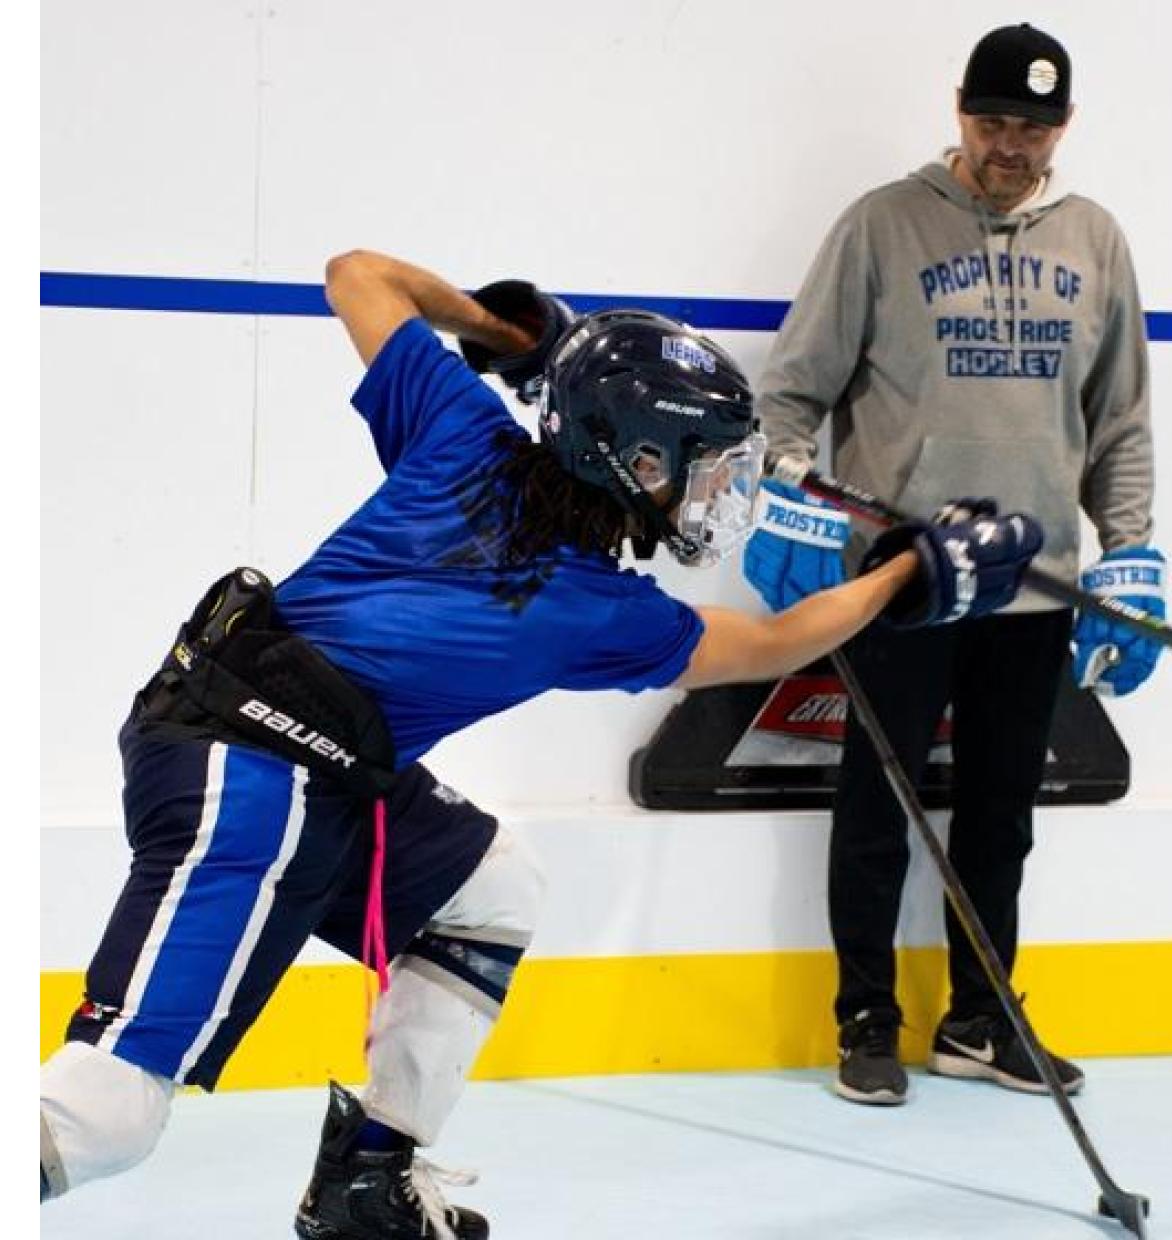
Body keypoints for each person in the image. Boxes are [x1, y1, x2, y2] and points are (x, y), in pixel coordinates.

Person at [39, 247, 1045, 1238]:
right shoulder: (594, 611)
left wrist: (503, 335)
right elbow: (777, 643)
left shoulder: (461, 427)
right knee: (111, 1110)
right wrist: (911, 575)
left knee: (490, 890)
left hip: (314, 764)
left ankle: (367, 1187)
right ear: (636, 462)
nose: (712, 494)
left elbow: (357, 274)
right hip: (247, 774)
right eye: (702, 470)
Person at [744, 22, 1165, 1107]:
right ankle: (866, 1018)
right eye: (992, 122)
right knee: (876, 804)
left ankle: (980, 1019)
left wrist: (1131, 549)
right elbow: (791, 391)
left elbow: (1119, 422)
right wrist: (789, 490)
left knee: (999, 814)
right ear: (959, 112)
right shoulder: (882, 225)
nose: (1010, 145)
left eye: (1033, 128)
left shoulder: (1097, 241)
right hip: (903, 576)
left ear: (1064, 127)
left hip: (1035, 584)